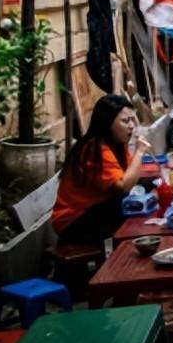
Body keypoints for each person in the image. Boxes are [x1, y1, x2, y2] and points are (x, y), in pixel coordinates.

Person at [51, 95, 150, 246]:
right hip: (73, 222)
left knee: (146, 187)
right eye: (125, 121)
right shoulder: (94, 148)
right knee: (125, 204)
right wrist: (140, 152)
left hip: (94, 211)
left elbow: (132, 175)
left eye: (132, 120)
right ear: (108, 123)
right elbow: (122, 185)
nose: (131, 126)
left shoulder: (117, 144)